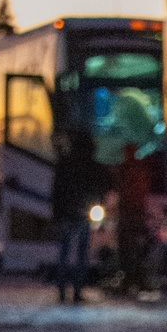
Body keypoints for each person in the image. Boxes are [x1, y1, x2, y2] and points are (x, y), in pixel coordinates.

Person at [52, 130, 107, 304]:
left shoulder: (65, 164)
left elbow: (57, 191)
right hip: (84, 213)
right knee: (81, 254)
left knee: (65, 252)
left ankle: (62, 290)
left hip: (66, 213)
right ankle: (77, 291)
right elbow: (101, 188)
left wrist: (56, 213)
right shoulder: (93, 166)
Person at [115, 143, 151, 295]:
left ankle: (130, 280)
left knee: (127, 250)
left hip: (128, 216)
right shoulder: (139, 169)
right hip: (135, 215)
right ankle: (137, 279)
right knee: (137, 250)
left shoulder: (124, 170)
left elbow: (123, 191)